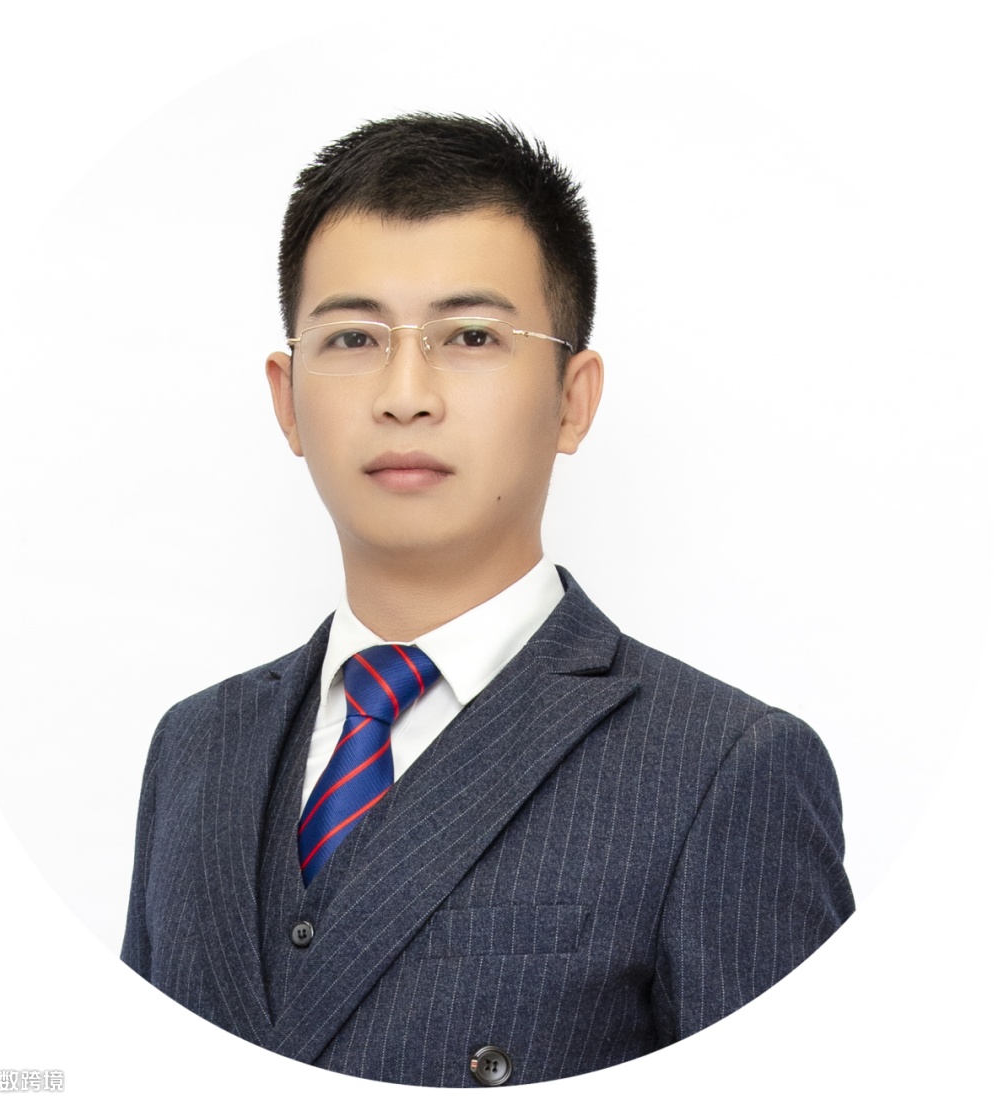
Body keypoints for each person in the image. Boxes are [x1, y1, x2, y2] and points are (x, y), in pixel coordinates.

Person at [121, 113, 854, 1087]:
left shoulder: (724, 770)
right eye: (353, 337)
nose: (405, 393)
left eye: (471, 335)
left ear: (572, 399)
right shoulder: (195, 747)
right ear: (287, 398)